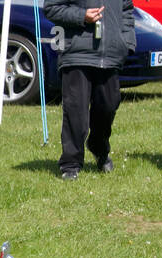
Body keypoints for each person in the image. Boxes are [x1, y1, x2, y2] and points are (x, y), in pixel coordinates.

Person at [43, 0, 136, 180]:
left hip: (110, 55)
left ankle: (98, 147)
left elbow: (126, 11)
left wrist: (127, 43)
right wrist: (82, 16)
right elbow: (52, 9)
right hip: (77, 53)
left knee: (108, 105)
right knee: (75, 111)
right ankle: (71, 163)